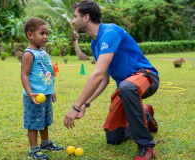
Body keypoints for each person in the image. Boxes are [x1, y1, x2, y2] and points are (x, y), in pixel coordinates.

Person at [64, 1, 159, 160]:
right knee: (114, 137)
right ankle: (145, 114)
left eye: (75, 16)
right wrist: (86, 104)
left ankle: (145, 145)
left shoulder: (110, 32)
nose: (73, 21)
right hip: (127, 89)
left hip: (146, 77)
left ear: (86, 17)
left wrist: (76, 106)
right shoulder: (95, 44)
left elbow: (98, 75)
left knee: (125, 87)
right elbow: (104, 80)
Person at [21, 17, 63, 160]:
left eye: (47, 34)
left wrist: (51, 91)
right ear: (30, 35)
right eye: (42, 33)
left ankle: (45, 144)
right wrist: (29, 93)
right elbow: (24, 75)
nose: (45, 37)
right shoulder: (28, 54)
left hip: (45, 95)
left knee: (44, 121)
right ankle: (33, 150)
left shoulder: (43, 52)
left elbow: (48, 73)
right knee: (33, 123)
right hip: (34, 96)